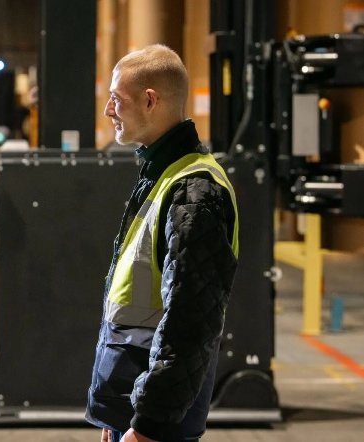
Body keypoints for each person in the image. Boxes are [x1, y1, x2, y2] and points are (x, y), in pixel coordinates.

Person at [86, 44, 239, 442]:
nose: (108, 111)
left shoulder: (194, 192)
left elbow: (191, 322)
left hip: (157, 419)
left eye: (116, 99)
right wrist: (117, 416)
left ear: (150, 100)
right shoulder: (162, 175)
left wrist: (148, 424)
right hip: (135, 406)